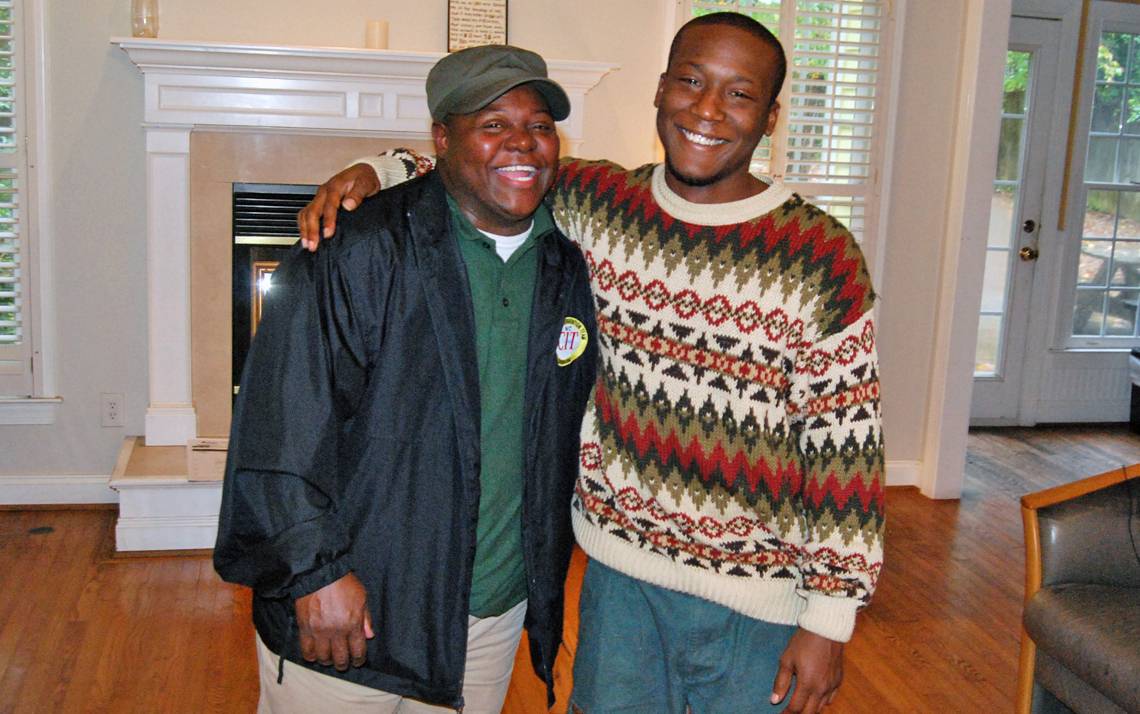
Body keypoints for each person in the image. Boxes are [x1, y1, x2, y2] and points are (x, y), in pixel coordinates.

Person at [299, 13, 885, 714]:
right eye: (691, 82)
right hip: (618, 584)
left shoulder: (820, 256)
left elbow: (846, 449)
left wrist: (829, 620)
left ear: (770, 117)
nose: (706, 110)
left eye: (738, 94)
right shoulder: (603, 204)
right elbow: (487, 164)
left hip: (757, 607)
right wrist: (382, 171)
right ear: (661, 89)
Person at [214, 44, 598, 714]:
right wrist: (314, 575)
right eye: (491, 124)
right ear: (441, 138)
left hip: (489, 615)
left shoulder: (571, 262)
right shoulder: (356, 249)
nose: (522, 143)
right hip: (350, 615)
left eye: (539, 125)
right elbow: (280, 429)